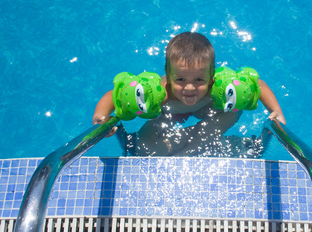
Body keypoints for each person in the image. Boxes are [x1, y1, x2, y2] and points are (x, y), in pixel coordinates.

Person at [93, 32, 285, 156]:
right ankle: (188, 145)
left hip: (209, 108)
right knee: (141, 148)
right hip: (171, 111)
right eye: (180, 80)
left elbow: (258, 84)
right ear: (168, 75)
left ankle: (189, 149)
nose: (190, 88)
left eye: (199, 80)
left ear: (211, 76)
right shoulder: (161, 92)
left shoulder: (218, 87)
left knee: (232, 111)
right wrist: (101, 118)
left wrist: (276, 110)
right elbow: (112, 95)